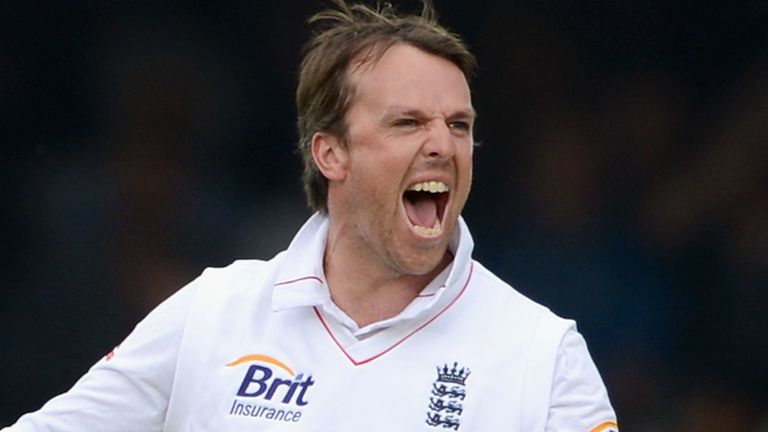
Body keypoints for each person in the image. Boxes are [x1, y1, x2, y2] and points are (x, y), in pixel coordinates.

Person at [2, 1, 618, 431]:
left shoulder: (542, 354)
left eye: (458, 125)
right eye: (407, 122)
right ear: (330, 153)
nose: (442, 144)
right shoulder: (215, 311)